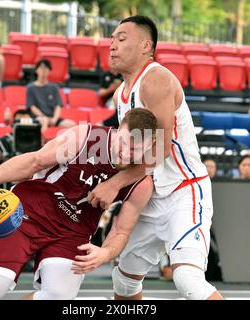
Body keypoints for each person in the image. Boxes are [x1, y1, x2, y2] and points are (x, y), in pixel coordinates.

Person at [0, 108, 156, 300]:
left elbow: (121, 230)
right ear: (116, 131)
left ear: (149, 147)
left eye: (136, 150)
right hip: (30, 212)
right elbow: (36, 162)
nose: (126, 153)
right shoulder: (86, 138)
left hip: (72, 234)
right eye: (123, 144)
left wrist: (105, 252)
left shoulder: (142, 183)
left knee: (58, 296)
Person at [85, 16, 223, 300]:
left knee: (188, 280)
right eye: (112, 39)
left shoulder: (156, 79)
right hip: (149, 195)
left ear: (146, 45)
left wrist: (115, 184)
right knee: (123, 282)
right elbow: (126, 152)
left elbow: (161, 149)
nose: (112, 46)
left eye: (121, 39)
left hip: (183, 191)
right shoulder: (120, 96)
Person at [0, 109, 35, 189]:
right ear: (13, 123)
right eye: (19, 121)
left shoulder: (36, 142)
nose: (22, 125)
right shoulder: (2, 142)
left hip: (28, 186)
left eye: (26, 121)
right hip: (6, 187)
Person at [26, 59, 75, 131]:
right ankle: (44, 142)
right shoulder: (30, 88)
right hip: (38, 117)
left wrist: (54, 119)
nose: (43, 70)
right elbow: (32, 107)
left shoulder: (54, 87)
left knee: (72, 124)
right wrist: (44, 117)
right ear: (36, 70)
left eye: (46, 68)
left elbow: (58, 106)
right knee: (44, 122)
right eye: (41, 67)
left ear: (49, 71)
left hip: (52, 117)